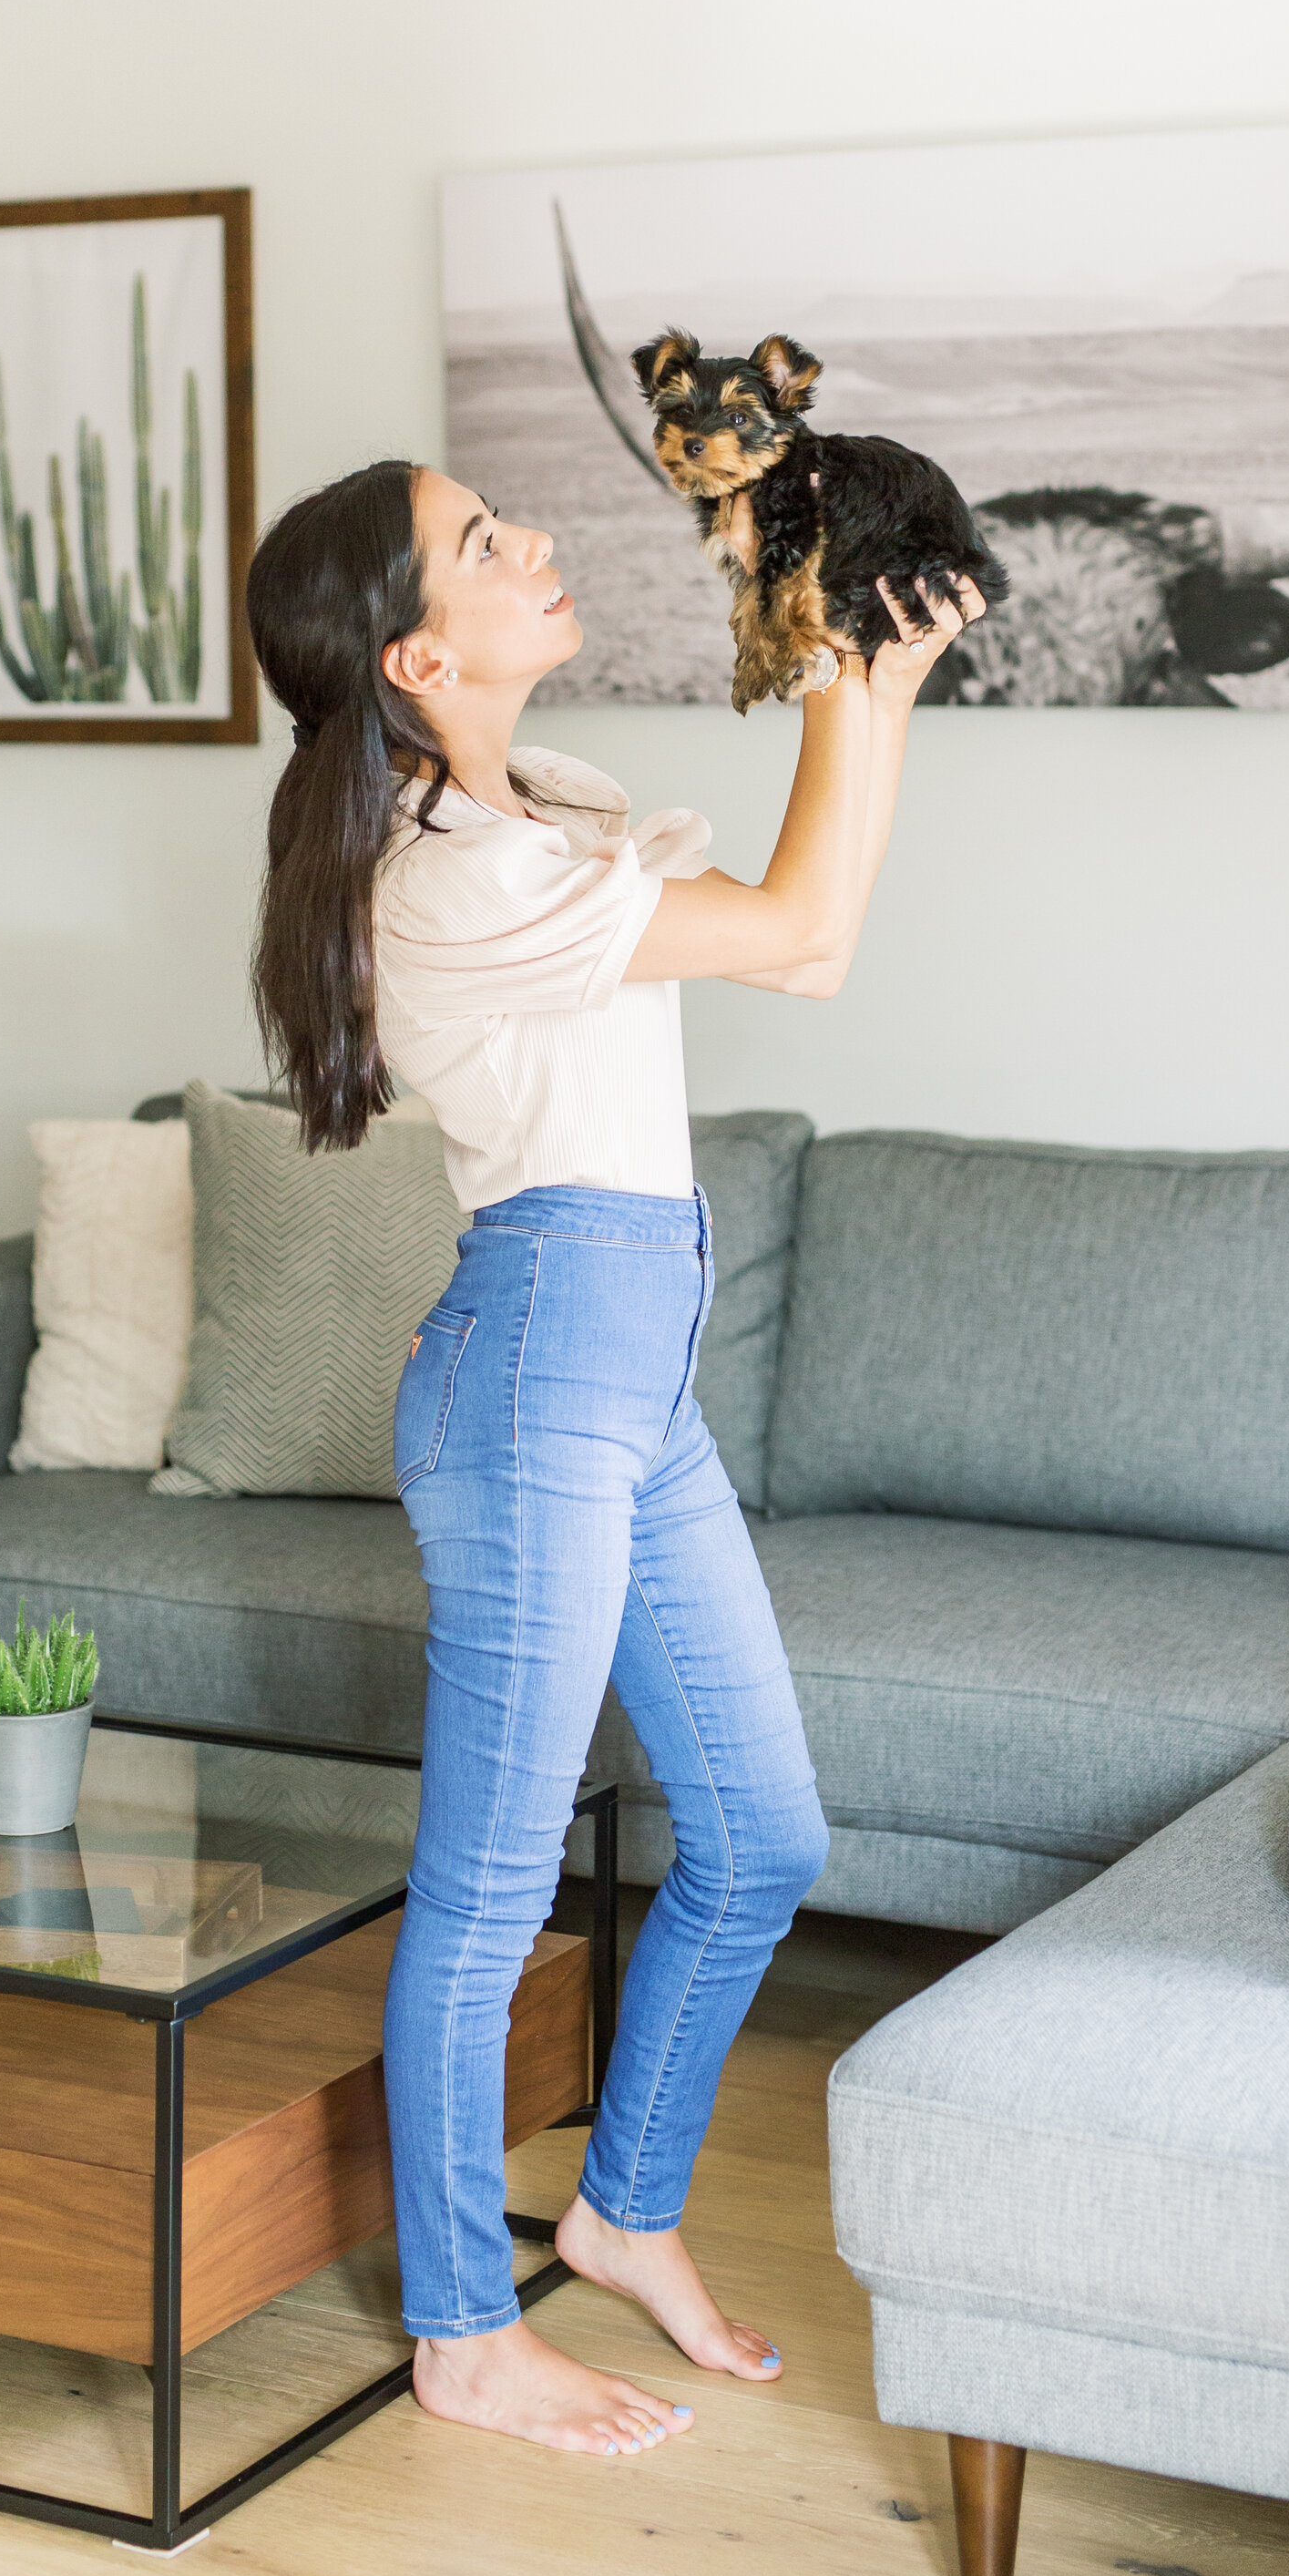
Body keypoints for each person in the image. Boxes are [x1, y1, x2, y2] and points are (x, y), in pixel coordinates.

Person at [245, 457, 978, 2461]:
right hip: (536, 1372)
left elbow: (804, 949)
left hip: (624, 1366)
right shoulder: (446, 875)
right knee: (485, 1893)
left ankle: (621, 2210)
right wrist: (831, 657)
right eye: (486, 544)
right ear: (413, 652)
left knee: (758, 1842)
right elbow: (806, 914)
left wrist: (874, 687)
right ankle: (463, 2331)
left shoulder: (529, 809)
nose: (533, 546)